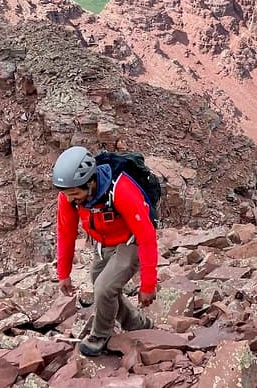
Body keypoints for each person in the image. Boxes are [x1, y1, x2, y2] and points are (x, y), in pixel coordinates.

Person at [53, 146, 159, 356]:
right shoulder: (69, 197)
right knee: (100, 283)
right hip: (102, 244)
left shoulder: (121, 190)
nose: (72, 200)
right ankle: (137, 323)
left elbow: (146, 236)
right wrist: (63, 273)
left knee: (103, 288)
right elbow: (66, 232)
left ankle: (100, 336)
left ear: (90, 182)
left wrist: (148, 284)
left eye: (75, 194)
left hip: (131, 242)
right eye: (67, 195)